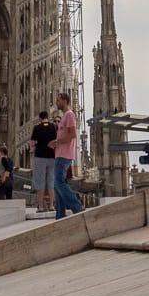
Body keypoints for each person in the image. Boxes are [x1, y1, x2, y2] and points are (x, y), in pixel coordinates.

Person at [49, 91, 87, 219]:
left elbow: (72, 135)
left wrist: (57, 141)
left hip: (64, 155)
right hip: (60, 154)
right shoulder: (65, 116)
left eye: (58, 100)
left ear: (65, 101)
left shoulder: (69, 115)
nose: (56, 102)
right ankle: (60, 215)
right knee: (57, 184)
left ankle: (77, 206)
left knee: (59, 182)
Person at [28, 112, 56, 214]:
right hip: (52, 156)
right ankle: (52, 205)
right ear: (47, 118)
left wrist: (34, 149)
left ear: (40, 118)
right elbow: (56, 140)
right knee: (51, 181)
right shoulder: (53, 126)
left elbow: (32, 143)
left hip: (40, 156)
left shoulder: (37, 127)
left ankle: (40, 206)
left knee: (40, 181)